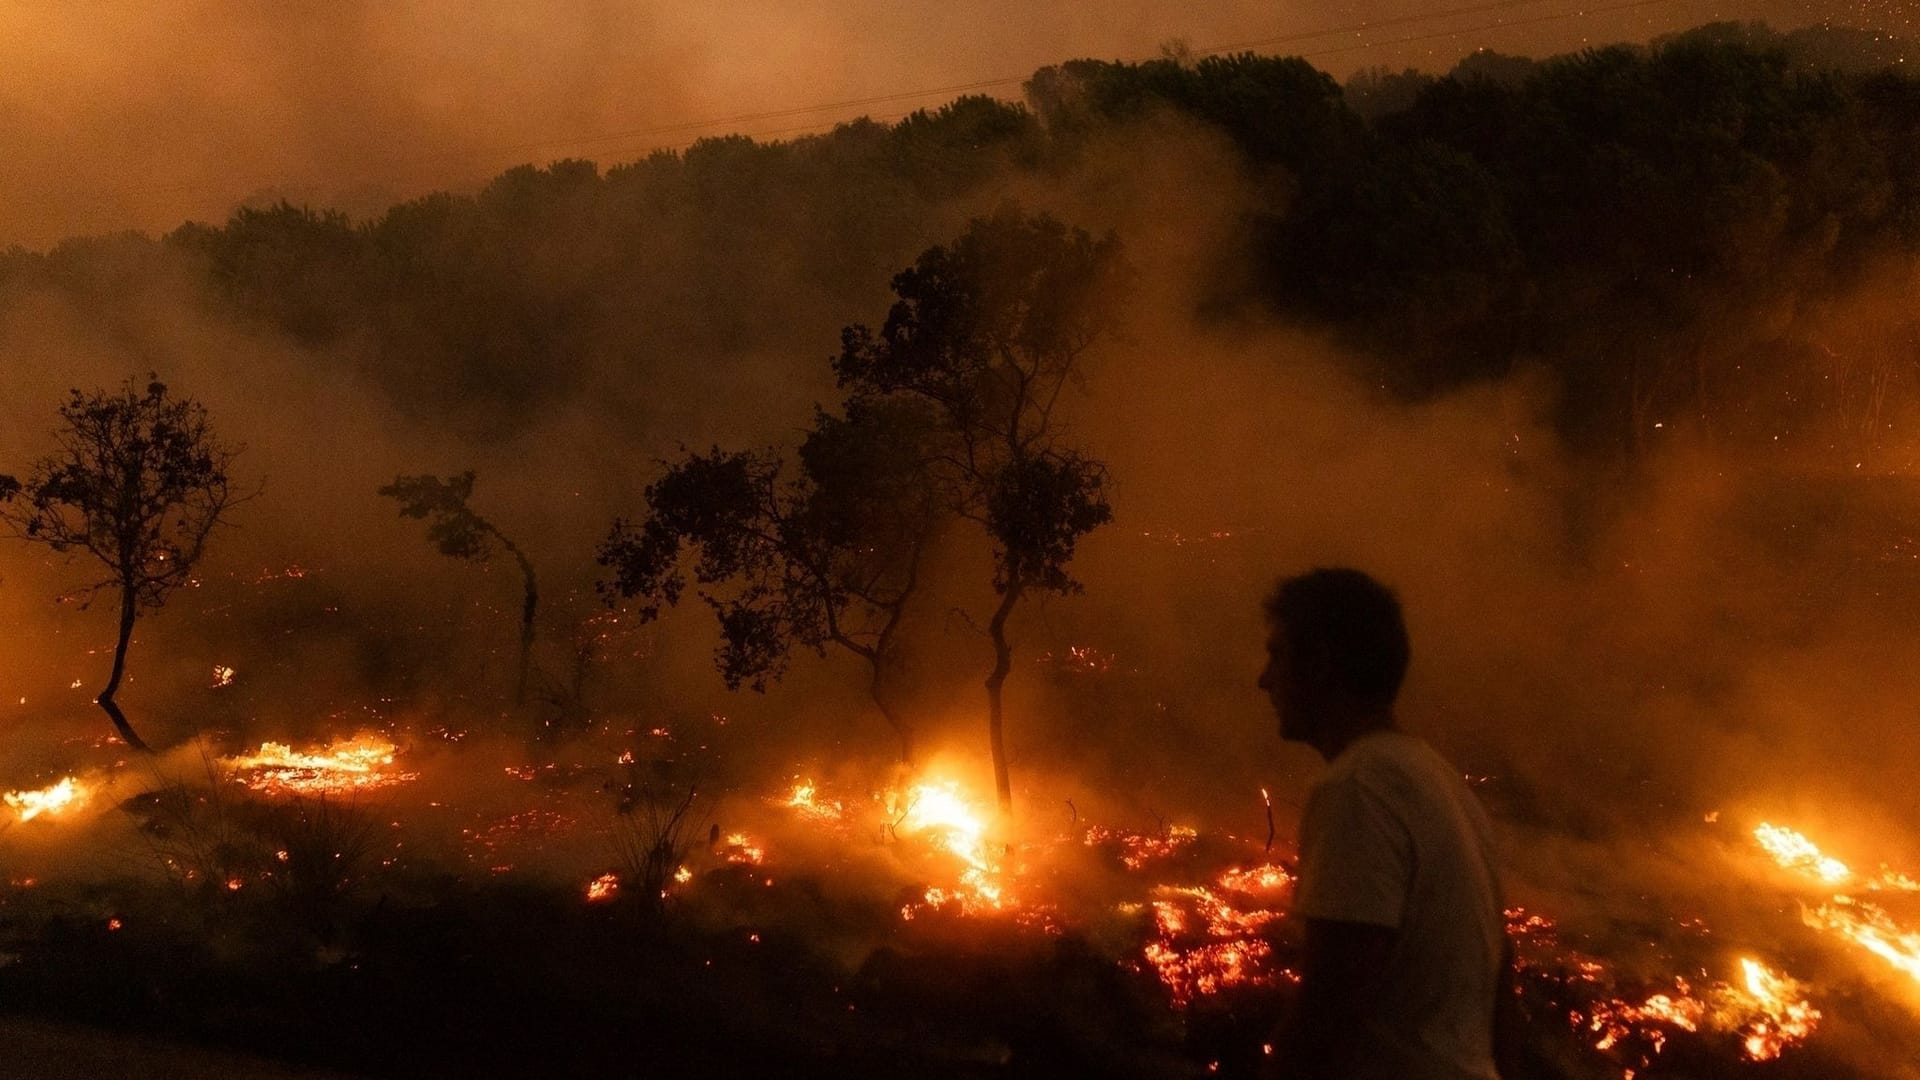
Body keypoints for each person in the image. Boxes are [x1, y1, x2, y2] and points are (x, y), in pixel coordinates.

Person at [1257, 568, 1519, 1079]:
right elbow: (1501, 995)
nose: (1265, 679)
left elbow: (1328, 1013)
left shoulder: (1358, 789)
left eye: (1278, 655)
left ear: (1323, 662)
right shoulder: (1443, 784)